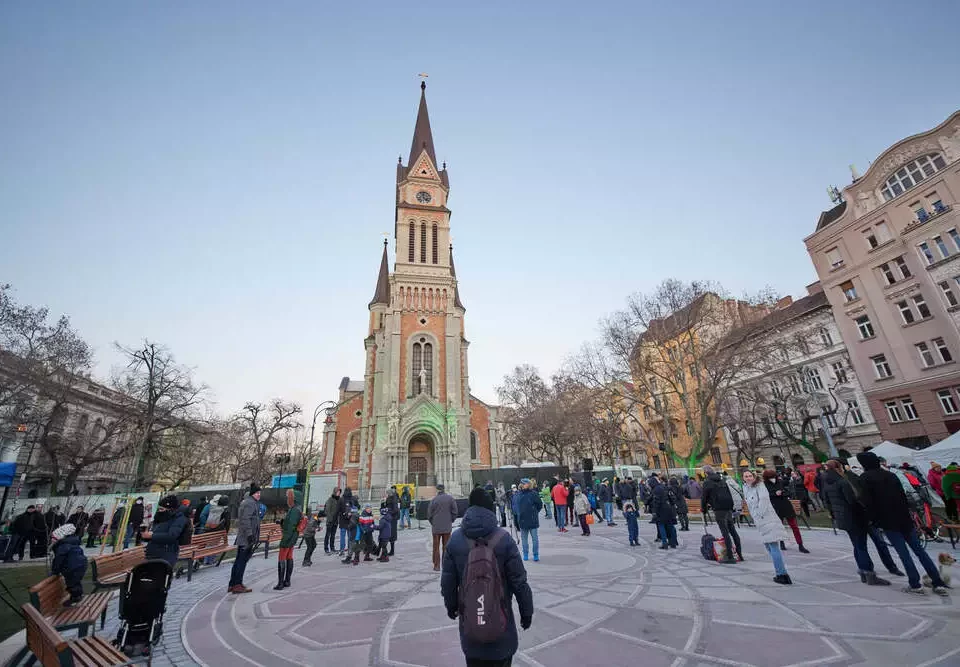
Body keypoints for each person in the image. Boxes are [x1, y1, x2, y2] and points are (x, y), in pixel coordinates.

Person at [441, 487, 533, 667]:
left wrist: (451, 606)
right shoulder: (504, 538)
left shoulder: (456, 539)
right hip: (501, 625)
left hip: (471, 624)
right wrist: (526, 612)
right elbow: (519, 582)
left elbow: (447, 582)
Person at [856, 452, 950, 596]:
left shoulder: (865, 478)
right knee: (919, 551)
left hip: (887, 521)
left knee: (904, 554)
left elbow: (868, 502)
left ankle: (915, 584)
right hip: (904, 518)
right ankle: (937, 581)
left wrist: (874, 520)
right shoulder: (891, 475)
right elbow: (902, 495)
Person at [821, 459, 900, 585]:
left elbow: (827, 502)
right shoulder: (842, 482)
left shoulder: (828, 482)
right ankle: (869, 573)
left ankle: (867, 571)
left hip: (845, 519)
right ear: (839, 467)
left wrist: (835, 514)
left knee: (860, 545)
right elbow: (852, 501)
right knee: (862, 545)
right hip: (858, 517)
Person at [742, 470, 792, 584]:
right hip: (760, 521)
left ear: (754, 477)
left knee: (773, 547)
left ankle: (782, 574)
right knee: (769, 546)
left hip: (767, 519)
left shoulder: (760, 485)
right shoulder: (746, 488)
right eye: (746, 476)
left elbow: (764, 500)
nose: (749, 478)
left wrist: (759, 514)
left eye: (750, 476)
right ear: (743, 478)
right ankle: (781, 572)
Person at [701, 465, 743, 563]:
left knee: (725, 532)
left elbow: (704, 497)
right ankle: (739, 554)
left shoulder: (707, 482)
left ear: (705, 473)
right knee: (732, 530)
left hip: (719, 508)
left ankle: (730, 556)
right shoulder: (721, 479)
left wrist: (704, 509)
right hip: (728, 506)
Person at [762, 469, 809, 553]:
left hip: (786, 506)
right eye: (770, 477)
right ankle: (781, 542)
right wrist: (775, 494)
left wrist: (782, 492)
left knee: (794, 526)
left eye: (773, 476)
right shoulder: (765, 485)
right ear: (766, 478)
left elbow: (788, 492)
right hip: (775, 507)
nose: (772, 478)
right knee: (779, 527)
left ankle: (800, 544)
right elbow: (766, 496)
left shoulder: (780, 482)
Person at [229, 483, 261, 594]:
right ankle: (237, 585)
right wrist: (250, 535)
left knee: (239, 560)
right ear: (252, 493)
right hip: (246, 538)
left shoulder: (248, 502)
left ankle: (233, 584)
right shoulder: (250, 503)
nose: (259, 495)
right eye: (257, 493)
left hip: (244, 537)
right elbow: (246, 520)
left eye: (259, 493)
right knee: (241, 561)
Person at [144, 495, 189, 567]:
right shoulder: (160, 517)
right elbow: (154, 532)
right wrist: (145, 535)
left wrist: (152, 535)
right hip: (152, 553)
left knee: (161, 576)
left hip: (166, 555)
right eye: (158, 509)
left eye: (162, 509)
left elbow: (172, 536)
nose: (159, 511)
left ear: (170, 509)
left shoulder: (179, 519)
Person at [50, 524, 87, 606]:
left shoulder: (62, 547)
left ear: (59, 538)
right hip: (80, 565)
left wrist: (54, 571)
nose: (52, 540)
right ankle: (77, 595)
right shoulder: (72, 543)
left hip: (72, 567)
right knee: (75, 581)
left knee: (71, 583)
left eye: (53, 538)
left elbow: (58, 560)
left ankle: (76, 597)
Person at [273, 489, 302, 590]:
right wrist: (282, 522)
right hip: (293, 537)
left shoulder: (294, 510)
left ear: (293, 499)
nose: (287, 499)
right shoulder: (297, 509)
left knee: (282, 558)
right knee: (289, 557)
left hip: (288, 537)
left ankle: (281, 583)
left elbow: (290, 525)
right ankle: (287, 580)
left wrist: (285, 538)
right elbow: (290, 523)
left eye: (289, 497)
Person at [428, 483, 458, 571]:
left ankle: (436, 565)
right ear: (444, 489)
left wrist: (433, 522)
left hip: (436, 527)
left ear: (437, 489)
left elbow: (429, 514)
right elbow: (455, 511)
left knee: (436, 546)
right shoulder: (450, 499)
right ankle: (445, 565)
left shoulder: (434, 500)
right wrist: (451, 520)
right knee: (446, 546)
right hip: (447, 527)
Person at [514, 478, 543, 562]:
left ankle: (535, 554)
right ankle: (525, 554)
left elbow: (539, 504)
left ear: (528, 484)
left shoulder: (533, 494)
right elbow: (516, 507)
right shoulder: (518, 494)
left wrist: (534, 512)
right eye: (522, 483)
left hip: (532, 520)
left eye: (524, 483)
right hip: (522, 520)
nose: (522, 484)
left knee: (534, 539)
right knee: (524, 539)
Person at [650, 478, 678, 549]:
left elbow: (657, 501)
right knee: (670, 526)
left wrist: (654, 512)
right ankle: (673, 543)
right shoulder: (664, 487)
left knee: (661, 526)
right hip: (669, 508)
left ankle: (664, 543)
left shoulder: (656, 490)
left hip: (661, 510)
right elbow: (672, 498)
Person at [338, 487, 356, 555]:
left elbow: (338, 510)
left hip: (342, 520)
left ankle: (342, 550)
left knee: (342, 536)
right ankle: (350, 549)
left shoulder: (341, 499)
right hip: (350, 520)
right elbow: (356, 508)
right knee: (350, 536)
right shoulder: (352, 499)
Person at [323, 488, 341, 555]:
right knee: (327, 535)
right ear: (335, 492)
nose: (339, 493)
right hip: (330, 521)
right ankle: (326, 549)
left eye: (339, 492)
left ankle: (332, 548)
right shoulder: (330, 500)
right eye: (338, 492)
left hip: (336, 521)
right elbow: (327, 510)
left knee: (333, 535)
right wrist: (330, 519)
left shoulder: (339, 500)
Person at [384, 486, 400, 556]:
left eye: (386, 493)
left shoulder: (393, 499)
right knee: (389, 534)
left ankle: (392, 551)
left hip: (392, 519)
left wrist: (388, 511)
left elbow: (395, 509)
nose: (386, 494)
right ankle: (390, 550)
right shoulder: (390, 498)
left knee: (392, 535)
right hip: (390, 518)